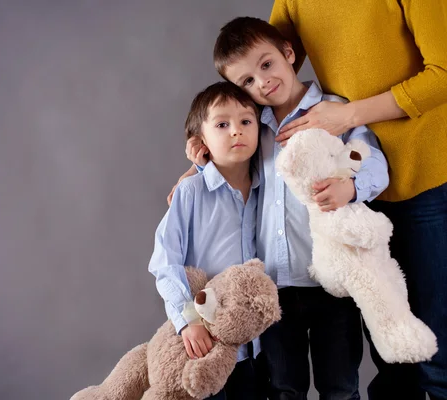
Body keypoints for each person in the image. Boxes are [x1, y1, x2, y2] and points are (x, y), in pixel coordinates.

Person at [171, 17, 390, 399]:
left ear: (289, 53)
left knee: (340, 386)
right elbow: (231, 170)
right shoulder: (253, 127)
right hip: (272, 289)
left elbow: (374, 163)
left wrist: (351, 188)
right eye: (247, 81)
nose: (263, 82)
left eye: (267, 64)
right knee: (284, 388)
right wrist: (199, 164)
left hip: (331, 284)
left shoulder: (334, 111)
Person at [267, 1, 447, 398]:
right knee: (388, 341)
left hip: (423, 174)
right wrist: (208, 152)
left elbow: (443, 73)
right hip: (351, 183)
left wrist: (349, 116)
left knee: (434, 338)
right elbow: (260, 64)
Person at [149, 81, 265, 400]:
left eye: (245, 121)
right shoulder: (191, 193)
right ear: (200, 141)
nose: (236, 132)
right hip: (207, 341)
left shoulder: (267, 188)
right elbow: (165, 262)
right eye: (222, 125)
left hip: (256, 342)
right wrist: (189, 320)